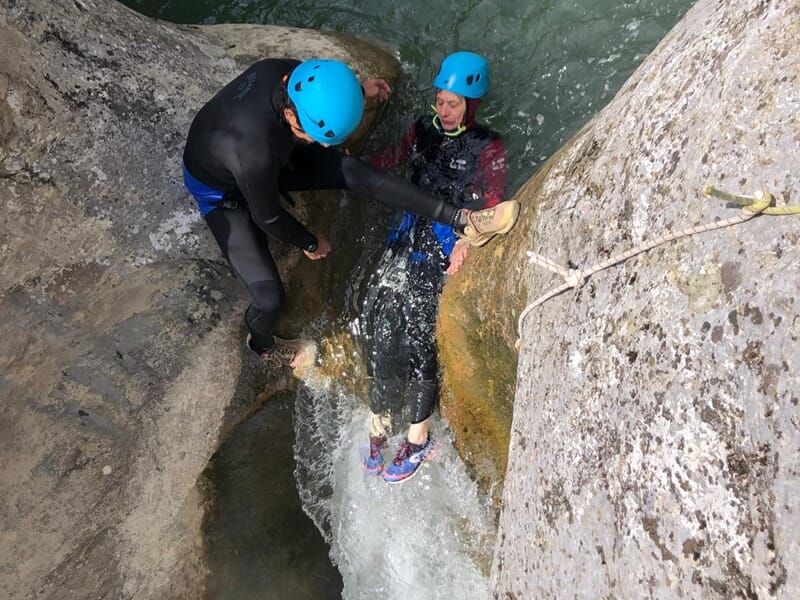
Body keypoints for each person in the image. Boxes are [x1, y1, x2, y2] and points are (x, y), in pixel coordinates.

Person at [182, 57, 520, 371]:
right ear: (290, 117)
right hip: (225, 194)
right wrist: (310, 241)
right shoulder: (251, 152)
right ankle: (262, 345)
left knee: (359, 174)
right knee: (270, 298)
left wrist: (358, 91)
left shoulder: (288, 74)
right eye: (316, 137)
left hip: (273, 157)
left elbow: (324, 86)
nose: (325, 147)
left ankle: (464, 219)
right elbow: (268, 217)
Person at [360, 51, 508, 483]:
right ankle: (380, 424)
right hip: (408, 230)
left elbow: (493, 202)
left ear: (472, 105)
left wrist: (466, 242)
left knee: (418, 331)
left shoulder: (488, 146)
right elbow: (388, 162)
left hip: (443, 239)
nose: (443, 110)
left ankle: (420, 438)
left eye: (454, 103)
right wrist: (349, 165)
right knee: (378, 319)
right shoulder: (421, 130)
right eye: (441, 100)